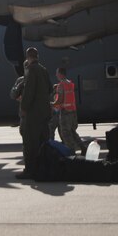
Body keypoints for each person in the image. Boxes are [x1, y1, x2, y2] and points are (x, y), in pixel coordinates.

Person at [19, 47, 51, 180]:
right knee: (43, 141)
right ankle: (43, 167)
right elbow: (50, 88)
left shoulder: (31, 70)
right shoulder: (43, 69)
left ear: (28, 57)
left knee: (29, 143)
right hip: (44, 112)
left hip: (33, 114)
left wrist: (24, 107)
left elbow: (28, 91)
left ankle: (29, 171)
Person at [53, 67, 82, 152]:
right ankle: (82, 147)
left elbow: (60, 100)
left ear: (60, 74)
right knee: (72, 131)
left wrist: (52, 104)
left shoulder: (61, 85)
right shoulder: (70, 83)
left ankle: (71, 152)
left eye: (57, 73)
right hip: (72, 111)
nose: (56, 75)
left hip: (65, 112)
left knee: (65, 133)